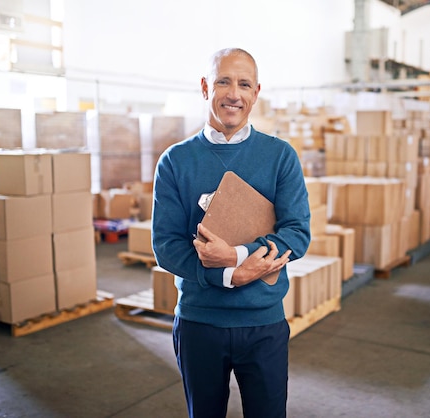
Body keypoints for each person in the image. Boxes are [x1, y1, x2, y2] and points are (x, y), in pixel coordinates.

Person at [151, 47, 311, 418]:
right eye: (223, 81)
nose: (233, 94)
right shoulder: (175, 161)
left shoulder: (280, 156)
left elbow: (297, 233)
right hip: (199, 324)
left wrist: (237, 258)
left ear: (256, 93)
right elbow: (167, 246)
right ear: (206, 87)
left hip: (263, 323)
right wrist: (228, 275)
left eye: (244, 84)